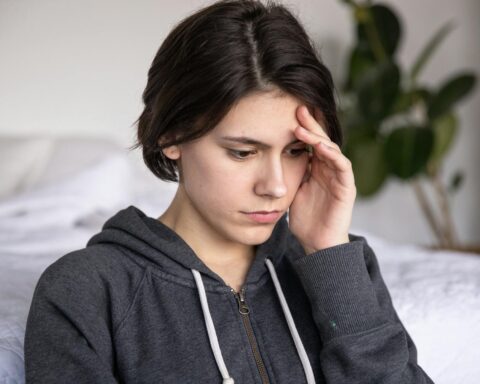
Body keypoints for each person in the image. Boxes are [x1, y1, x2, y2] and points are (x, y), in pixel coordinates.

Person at [24, 0, 435, 383]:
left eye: (295, 151)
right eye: (242, 152)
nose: (275, 186)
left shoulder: (342, 267)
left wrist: (329, 256)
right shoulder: (85, 289)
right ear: (171, 135)